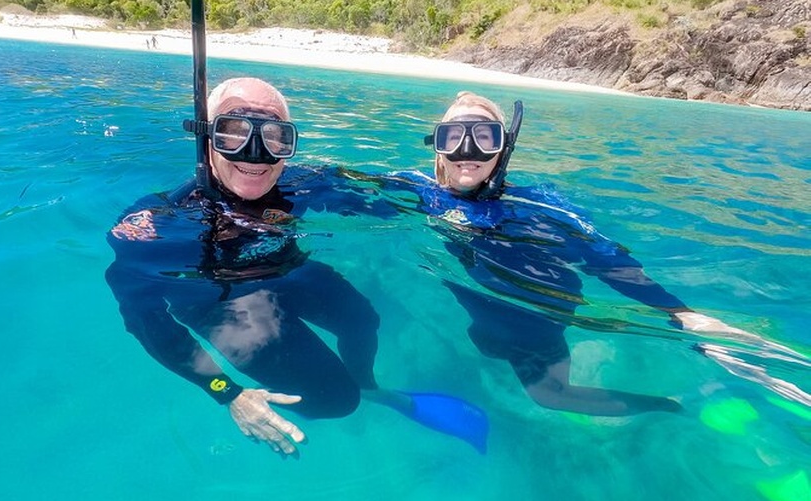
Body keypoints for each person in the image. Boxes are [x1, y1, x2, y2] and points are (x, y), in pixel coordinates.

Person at [105, 78, 488, 457]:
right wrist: (227, 393)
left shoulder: (302, 183)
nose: (254, 154)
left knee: (361, 318)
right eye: (233, 133)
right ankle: (353, 395)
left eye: (273, 137)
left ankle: (368, 388)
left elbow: (387, 196)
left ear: (289, 145)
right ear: (206, 139)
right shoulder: (154, 226)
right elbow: (145, 319)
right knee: (336, 401)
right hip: (217, 301)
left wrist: (462, 186)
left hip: (287, 274)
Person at [379, 91, 806, 415]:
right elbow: (334, 187)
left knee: (549, 395)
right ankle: (672, 404)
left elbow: (602, 256)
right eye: (454, 137)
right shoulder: (413, 190)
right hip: (487, 307)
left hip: (540, 310)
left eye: (483, 137)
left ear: (503, 148)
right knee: (530, 381)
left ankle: (680, 405)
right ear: (437, 145)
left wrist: (682, 313)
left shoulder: (535, 205)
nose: (468, 151)